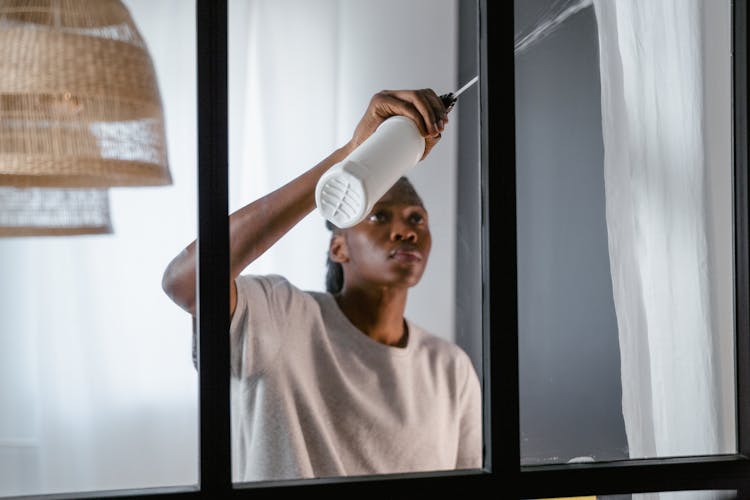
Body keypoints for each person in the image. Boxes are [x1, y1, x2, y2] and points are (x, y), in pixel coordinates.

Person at [161, 89, 482, 482]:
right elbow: (187, 281)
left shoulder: (450, 368)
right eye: (379, 216)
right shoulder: (281, 318)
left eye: (416, 219)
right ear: (338, 246)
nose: (406, 232)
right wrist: (350, 155)